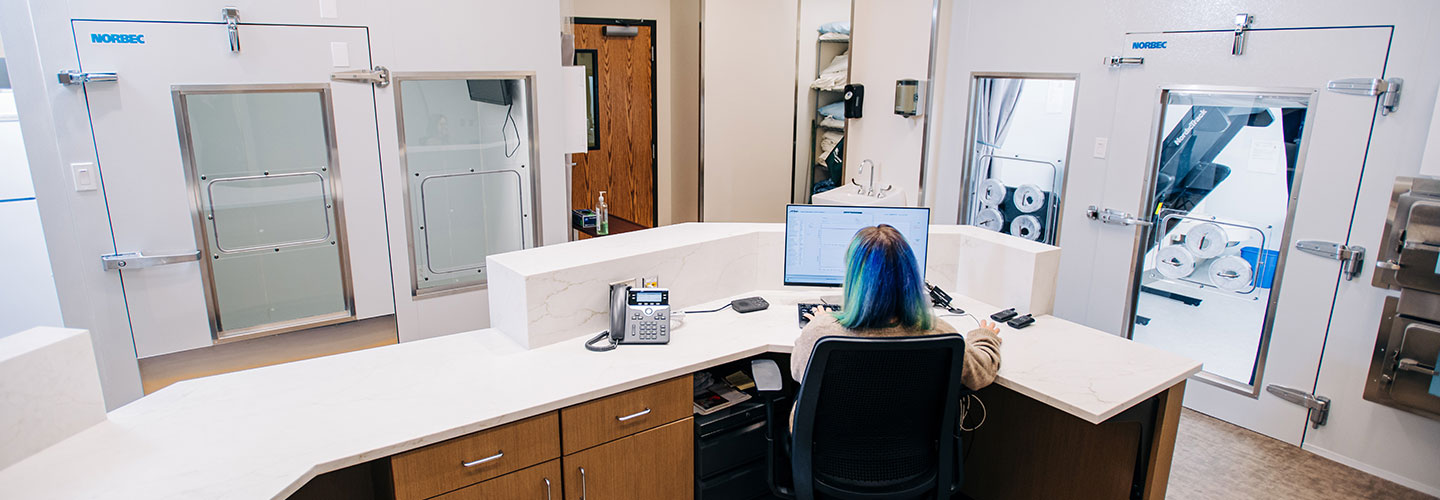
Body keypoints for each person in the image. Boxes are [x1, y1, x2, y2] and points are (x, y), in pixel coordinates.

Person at [791, 224, 1002, 390]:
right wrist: (985, 337)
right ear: (910, 275)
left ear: (853, 279)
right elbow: (981, 373)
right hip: (914, 435)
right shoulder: (940, 334)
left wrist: (822, 322)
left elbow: (797, 372)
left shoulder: (822, 332)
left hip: (831, 434)